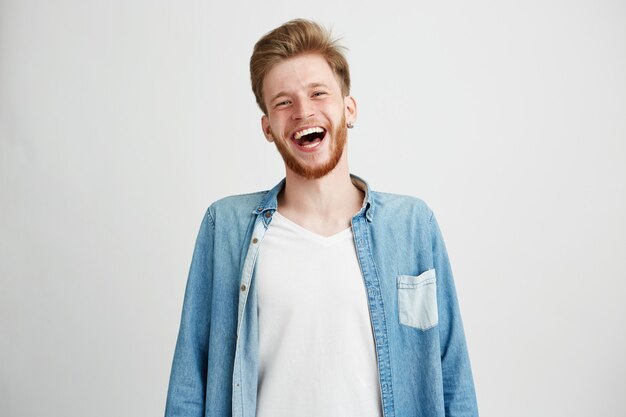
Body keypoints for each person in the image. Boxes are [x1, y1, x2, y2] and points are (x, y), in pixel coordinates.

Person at [165, 19, 478, 417]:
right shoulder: (224, 227)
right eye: (283, 102)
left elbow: (452, 376)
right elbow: (190, 382)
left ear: (348, 108)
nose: (303, 111)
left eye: (318, 93)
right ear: (268, 128)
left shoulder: (413, 226)